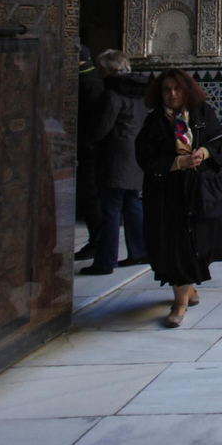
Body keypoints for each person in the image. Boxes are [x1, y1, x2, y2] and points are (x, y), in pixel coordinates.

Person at [135, 68, 222, 327]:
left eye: (177, 89)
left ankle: (186, 288)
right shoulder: (154, 122)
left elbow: (220, 139)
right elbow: (145, 158)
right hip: (168, 196)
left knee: (196, 244)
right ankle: (180, 302)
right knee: (175, 245)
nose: (172, 94)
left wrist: (203, 153)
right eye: (167, 89)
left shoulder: (201, 113)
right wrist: (177, 162)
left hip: (199, 194)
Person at [81, 50, 149, 275]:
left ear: (108, 69)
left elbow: (103, 125)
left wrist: (88, 141)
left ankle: (105, 261)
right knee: (132, 202)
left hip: (116, 156)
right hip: (137, 152)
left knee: (110, 208)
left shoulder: (113, 92)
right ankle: (138, 251)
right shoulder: (143, 89)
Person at [75, 44, 108, 262]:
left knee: (92, 196)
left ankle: (99, 242)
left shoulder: (91, 84)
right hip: (89, 148)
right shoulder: (92, 80)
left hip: (90, 150)